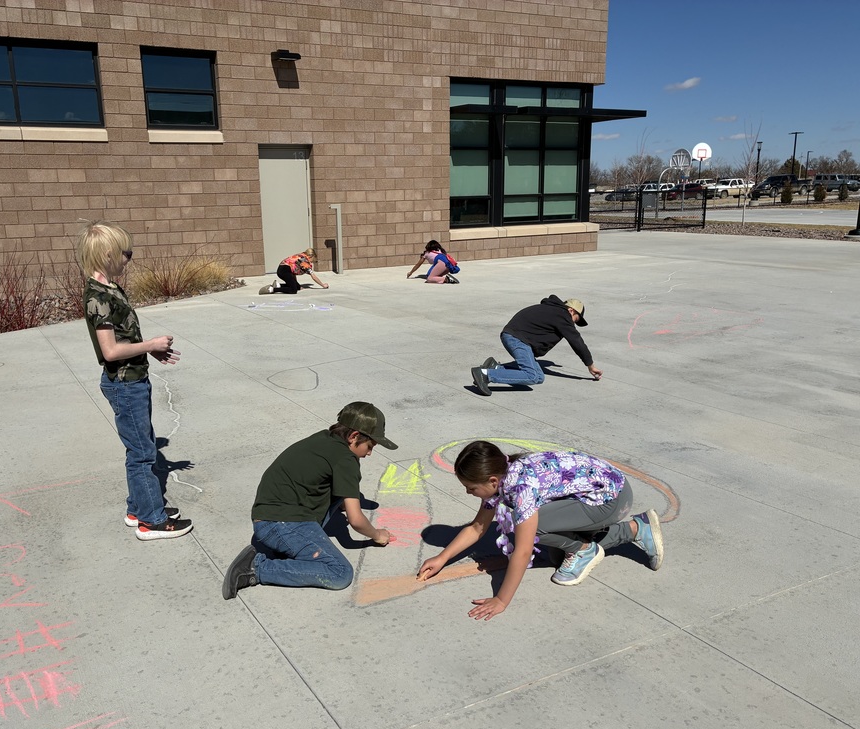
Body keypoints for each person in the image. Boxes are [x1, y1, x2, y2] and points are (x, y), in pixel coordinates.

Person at [417, 441, 663, 620]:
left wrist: (501, 600)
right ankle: (634, 529)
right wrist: (442, 558)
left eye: (470, 488)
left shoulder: (521, 488)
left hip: (613, 500)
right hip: (604, 490)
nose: (468, 493)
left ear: (492, 481)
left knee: (534, 528)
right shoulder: (505, 472)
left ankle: (583, 549)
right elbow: (477, 527)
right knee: (552, 549)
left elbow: (523, 551)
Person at [79, 220, 193, 541]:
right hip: (124, 384)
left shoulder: (111, 289)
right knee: (142, 453)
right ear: (106, 254)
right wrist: (151, 345)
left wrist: (150, 354)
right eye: (124, 252)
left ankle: (137, 508)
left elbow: (124, 337)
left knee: (141, 448)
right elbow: (110, 350)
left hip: (134, 379)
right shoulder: (97, 297)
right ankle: (151, 521)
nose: (129, 258)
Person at [222, 402, 397, 599]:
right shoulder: (345, 460)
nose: (370, 453)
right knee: (339, 573)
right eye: (370, 446)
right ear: (354, 436)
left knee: (340, 496)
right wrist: (377, 534)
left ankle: (287, 548)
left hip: (269, 514)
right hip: (280, 523)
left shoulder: (325, 439)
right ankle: (256, 568)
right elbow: (356, 520)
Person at [471, 295, 602, 396]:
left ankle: (496, 367)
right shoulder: (563, 315)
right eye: (576, 320)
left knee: (539, 377)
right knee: (531, 376)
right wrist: (590, 366)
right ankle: (485, 374)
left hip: (515, 336)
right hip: (517, 339)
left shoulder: (553, 311)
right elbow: (577, 342)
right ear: (571, 311)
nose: (573, 324)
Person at [259, 247, 329, 294]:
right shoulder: (305, 262)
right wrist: (323, 285)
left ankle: (278, 285)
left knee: (297, 287)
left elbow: (293, 272)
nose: (312, 262)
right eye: (313, 260)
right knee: (293, 290)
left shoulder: (300, 255)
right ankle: (272, 289)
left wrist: (298, 285)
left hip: (282, 269)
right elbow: (314, 277)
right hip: (285, 271)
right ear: (310, 257)